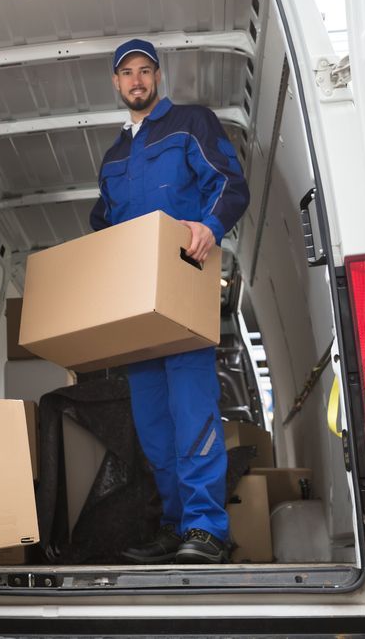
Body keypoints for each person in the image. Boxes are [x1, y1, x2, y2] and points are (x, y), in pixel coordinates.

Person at [89, 39, 250, 564]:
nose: (136, 80)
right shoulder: (113, 158)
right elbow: (103, 224)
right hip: (138, 309)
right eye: (127, 73)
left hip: (182, 291)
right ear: (116, 83)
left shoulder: (190, 124)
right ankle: (175, 526)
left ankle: (207, 528)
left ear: (158, 76)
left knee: (192, 414)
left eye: (145, 70)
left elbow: (229, 183)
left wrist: (210, 226)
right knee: (154, 428)